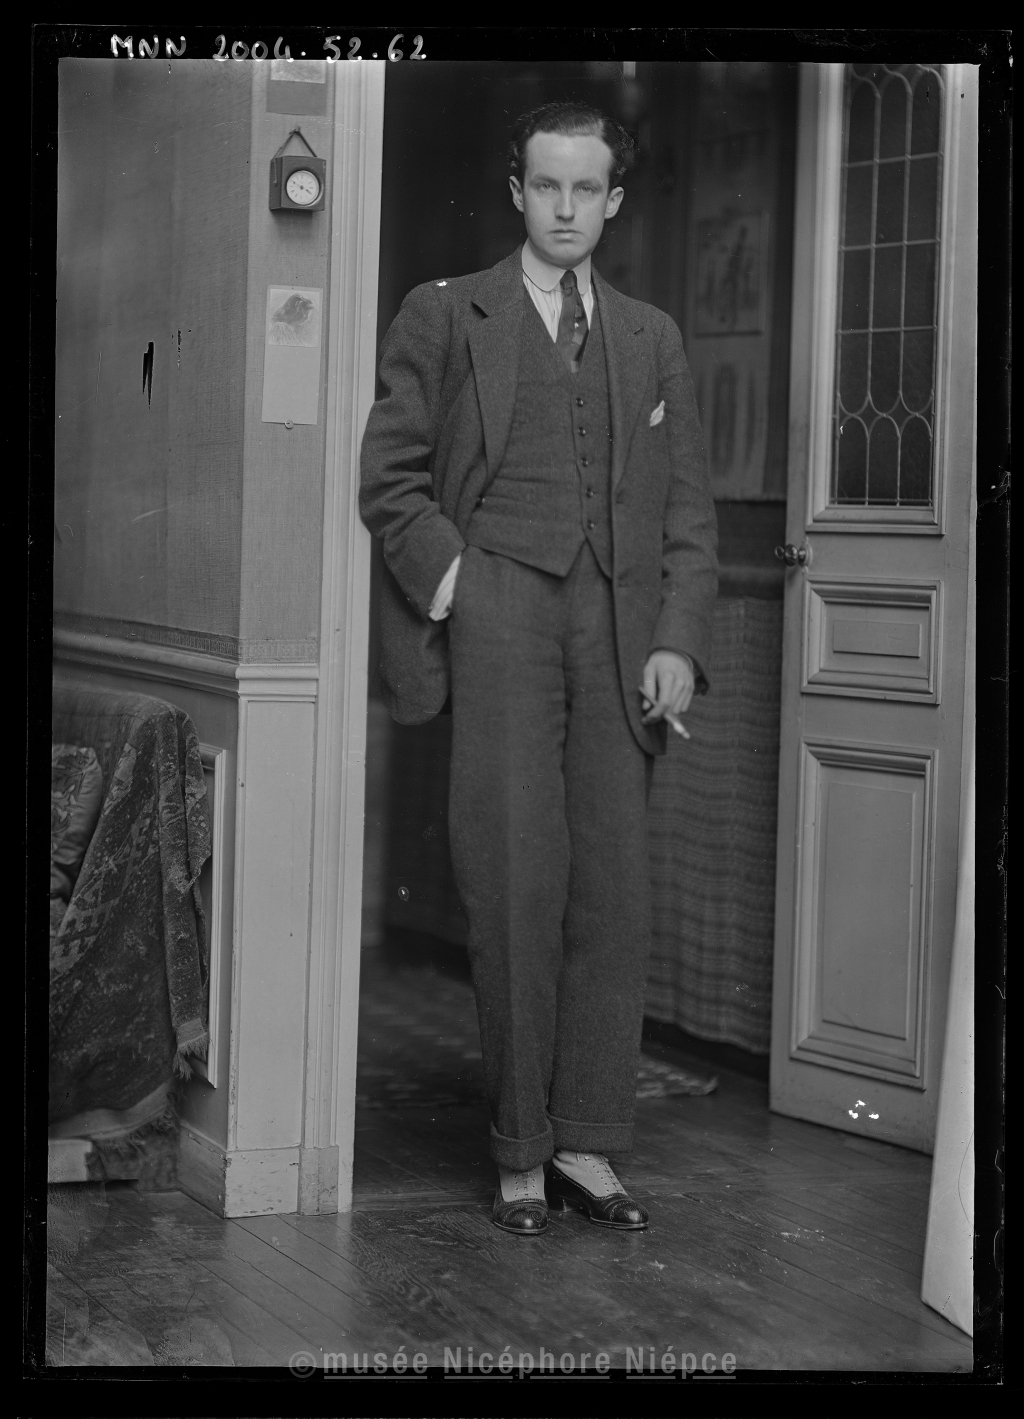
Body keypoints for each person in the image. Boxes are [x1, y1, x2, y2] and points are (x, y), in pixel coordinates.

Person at [360, 101, 718, 1236]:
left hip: (617, 625)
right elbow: (389, 478)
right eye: (546, 187)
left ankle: (588, 1146)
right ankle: (519, 1151)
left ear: (613, 202)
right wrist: (460, 583)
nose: (566, 209)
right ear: (518, 192)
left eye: (586, 190)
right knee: (514, 882)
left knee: (611, 892)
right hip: (500, 606)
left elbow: (688, 512)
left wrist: (676, 638)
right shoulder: (445, 313)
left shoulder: (651, 337)